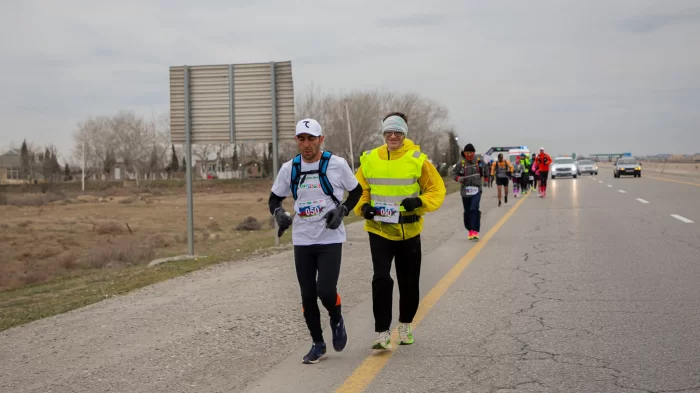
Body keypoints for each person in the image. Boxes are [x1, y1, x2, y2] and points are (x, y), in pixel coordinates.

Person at [268, 118, 363, 364]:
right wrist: (278, 213)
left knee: (325, 291)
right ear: (297, 141)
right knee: (308, 295)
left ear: (321, 139)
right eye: (301, 139)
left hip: (330, 238)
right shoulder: (290, 168)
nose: (306, 144)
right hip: (302, 239)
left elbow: (357, 192)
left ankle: (336, 316)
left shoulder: (337, 164)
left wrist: (342, 211)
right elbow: (274, 199)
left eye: (311, 139)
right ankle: (318, 343)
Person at [354, 112, 446, 349]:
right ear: (383, 133)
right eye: (388, 132)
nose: (392, 136)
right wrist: (363, 207)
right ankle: (382, 332)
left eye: (397, 132)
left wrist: (420, 202)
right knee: (381, 278)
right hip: (379, 229)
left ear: (404, 133)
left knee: (408, 281)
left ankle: (405, 325)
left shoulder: (418, 159)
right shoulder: (369, 159)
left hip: (409, 230)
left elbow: (436, 190)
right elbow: (360, 190)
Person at [453, 143, 482, 240]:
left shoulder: (479, 161)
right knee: (467, 211)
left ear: (474, 153)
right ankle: (470, 228)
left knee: (474, 208)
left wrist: (486, 178)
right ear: (464, 153)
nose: (469, 154)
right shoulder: (460, 163)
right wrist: (459, 178)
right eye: (467, 152)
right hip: (465, 191)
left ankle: (475, 231)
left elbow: (487, 170)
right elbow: (454, 174)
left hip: (477, 190)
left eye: (471, 152)